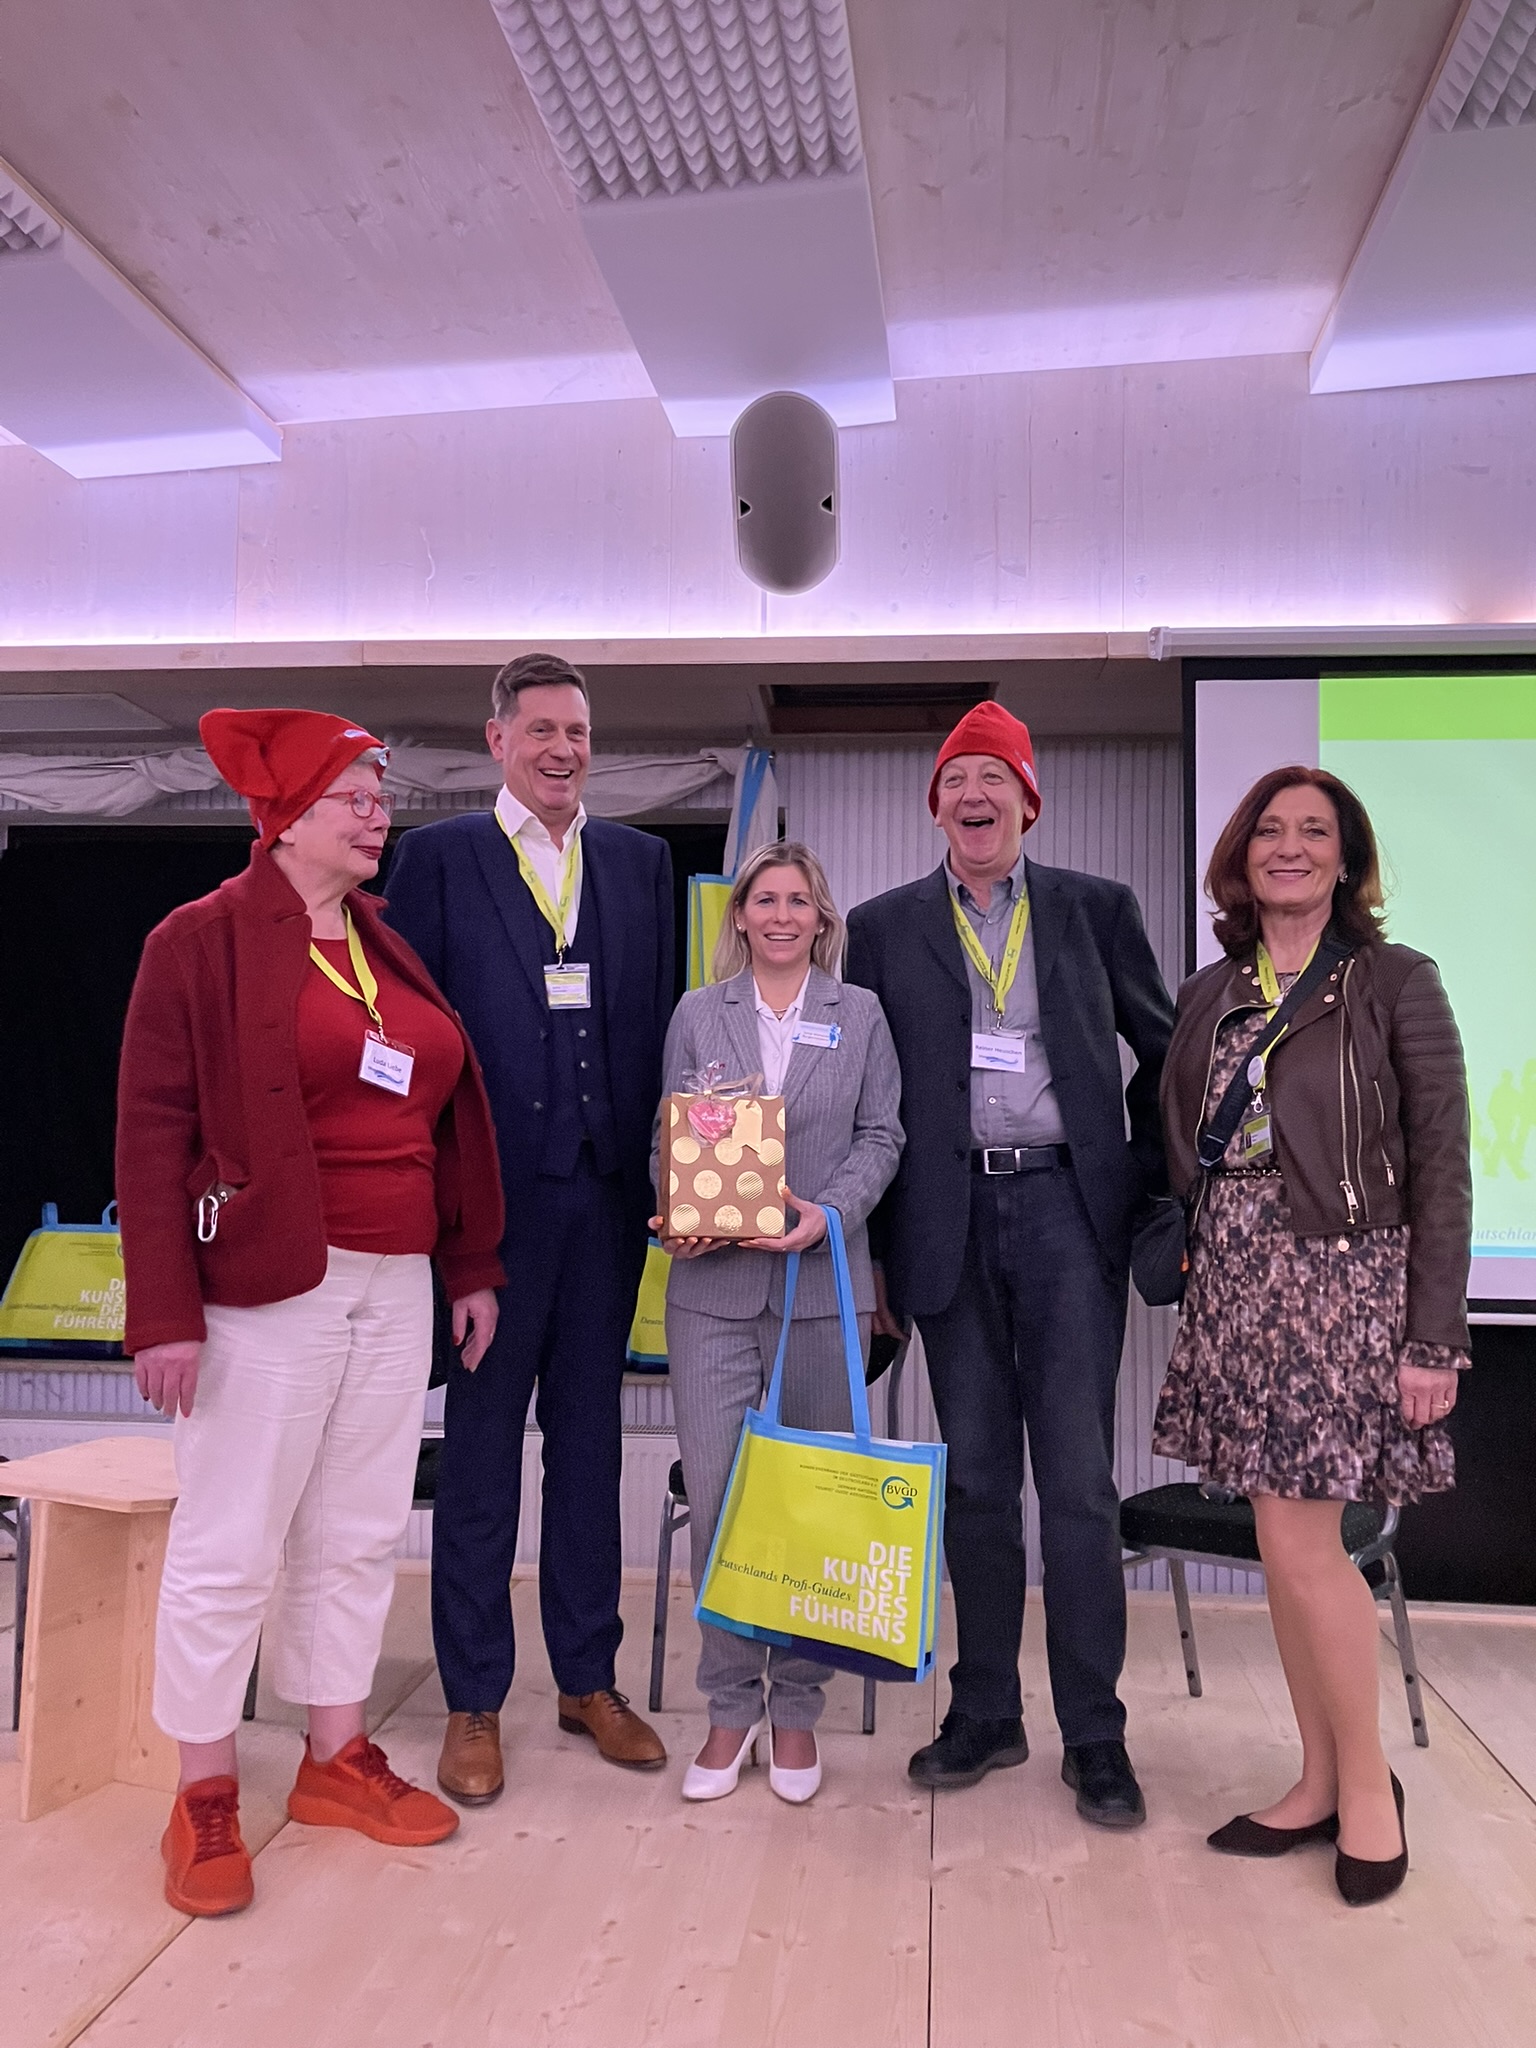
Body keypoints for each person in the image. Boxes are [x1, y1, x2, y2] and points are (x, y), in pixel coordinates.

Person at [117, 708, 505, 1918]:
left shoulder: (382, 942)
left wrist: (470, 1262)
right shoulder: (199, 939)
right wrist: (163, 1313)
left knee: (357, 1527)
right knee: (231, 1540)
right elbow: (150, 1134)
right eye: (356, 796)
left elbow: (448, 1108)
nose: (380, 813)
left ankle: (335, 1754)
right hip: (267, 1285)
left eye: (382, 794)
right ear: (286, 816)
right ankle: (203, 1789)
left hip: (396, 1280)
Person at [844, 701, 1174, 1827]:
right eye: (955, 780)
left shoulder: (1095, 910)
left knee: (1077, 1483)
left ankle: (1096, 1733)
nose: (973, 795)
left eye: (994, 778)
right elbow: (866, 1093)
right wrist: (876, 1258)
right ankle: (985, 1709)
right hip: (944, 1224)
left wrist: (1128, 1177)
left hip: (1068, 1215)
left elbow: (1166, 1054)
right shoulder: (882, 927)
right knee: (977, 1479)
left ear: (1028, 801)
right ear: (934, 806)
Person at [1156, 766, 1470, 1906]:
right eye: (1270, 831)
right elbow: (1178, 1141)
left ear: (1347, 859)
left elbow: (1442, 1166)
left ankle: (1370, 1791)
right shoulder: (1208, 990)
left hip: (1342, 1282)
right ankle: (1320, 1778)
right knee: (1279, 1547)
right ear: (1241, 857)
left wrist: (1433, 1337)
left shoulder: (1394, 980)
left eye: (1315, 831)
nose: (1290, 847)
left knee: (1302, 1547)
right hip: (1236, 1281)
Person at [383, 651, 673, 1802]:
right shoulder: (440, 859)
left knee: (590, 1449)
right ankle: (473, 1697)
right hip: (491, 1218)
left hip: (607, 1208)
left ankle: (587, 1678)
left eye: (579, 731)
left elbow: (660, 1038)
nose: (563, 749)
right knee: (483, 1455)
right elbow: (410, 1047)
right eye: (542, 729)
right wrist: (440, 1223)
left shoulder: (641, 863)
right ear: (497, 738)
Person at [652, 842, 903, 1805]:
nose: (783, 915)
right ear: (742, 916)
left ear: (822, 917)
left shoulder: (861, 1013)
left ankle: (796, 1709)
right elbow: (670, 1135)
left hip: (819, 1293)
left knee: (807, 1507)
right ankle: (729, 1709)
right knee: (721, 1508)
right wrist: (677, 1210)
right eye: (766, 899)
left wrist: (829, 1213)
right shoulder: (698, 1013)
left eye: (800, 900)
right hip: (712, 1296)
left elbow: (883, 1135)